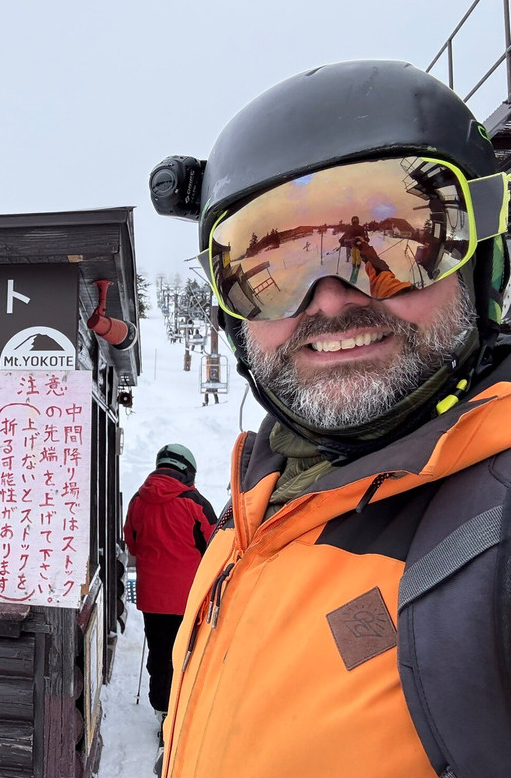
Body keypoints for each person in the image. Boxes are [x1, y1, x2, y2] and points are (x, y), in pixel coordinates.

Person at [149, 59, 511, 778]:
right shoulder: (256, 508)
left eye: (388, 242)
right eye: (271, 268)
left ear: (481, 257)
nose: (331, 298)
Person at [122, 444, 215, 762]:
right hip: (189, 598)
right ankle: (182, 711)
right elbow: (214, 546)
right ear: (187, 470)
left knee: (160, 652)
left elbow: (131, 542)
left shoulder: (138, 500)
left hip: (153, 597)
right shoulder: (195, 503)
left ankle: (162, 708)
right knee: (188, 653)